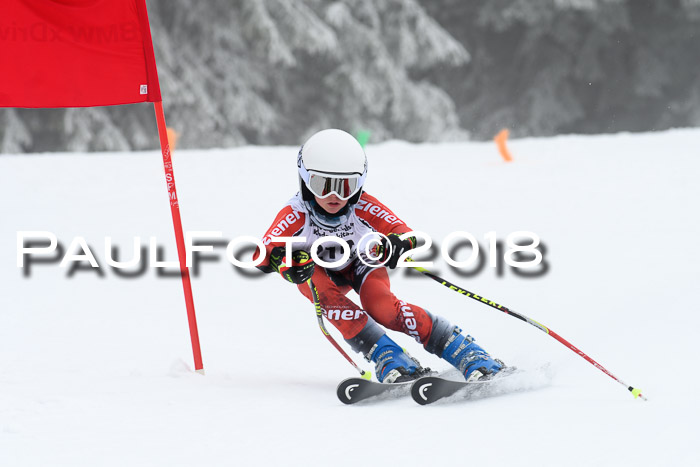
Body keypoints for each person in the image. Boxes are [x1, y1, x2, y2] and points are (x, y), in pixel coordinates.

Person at [255, 129, 503, 383]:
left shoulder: (362, 205)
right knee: (316, 289)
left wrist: (396, 244)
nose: (334, 196)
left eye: (346, 186)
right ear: (305, 180)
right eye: (322, 184)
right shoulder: (296, 213)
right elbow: (261, 254)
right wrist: (284, 263)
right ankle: (387, 354)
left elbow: (409, 234)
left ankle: (466, 351)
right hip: (320, 271)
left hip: (361, 263)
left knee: (382, 308)